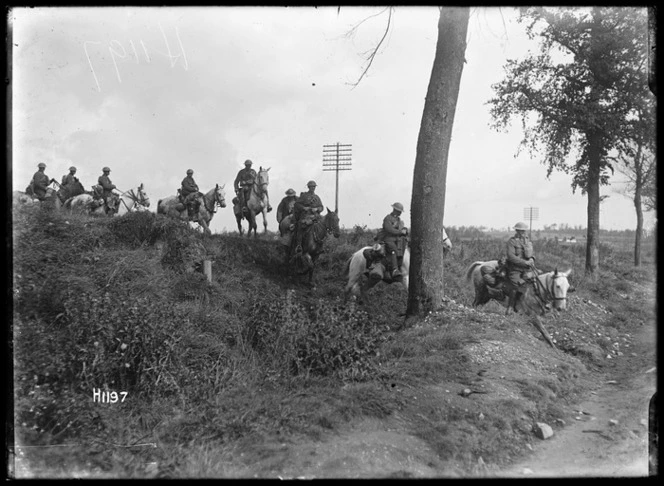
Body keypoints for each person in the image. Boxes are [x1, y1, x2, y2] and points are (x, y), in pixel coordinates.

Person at [375, 202, 409, 279]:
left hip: (398, 240)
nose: (400, 213)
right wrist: (400, 232)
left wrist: (405, 230)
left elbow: (401, 228)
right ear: (394, 210)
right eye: (399, 211)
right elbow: (389, 229)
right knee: (393, 250)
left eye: (400, 211)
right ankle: (394, 269)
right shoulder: (387, 218)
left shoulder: (399, 220)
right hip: (388, 239)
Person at [292, 180, 324, 253]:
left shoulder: (317, 197)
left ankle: (322, 245)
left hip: (316, 216)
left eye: (314, 187)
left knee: (323, 226)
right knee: (301, 226)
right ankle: (299, 245)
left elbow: (321, 207)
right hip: (306, 216)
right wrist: (304, 208)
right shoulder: (304, 196)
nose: (313, 188)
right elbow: (296, 205)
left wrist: (317, 209)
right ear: (308, 187)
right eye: (311, 187)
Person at [505, 222, 537, 286]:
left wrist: (532, 259)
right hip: (516, 270)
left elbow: (531, 254)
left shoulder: (527, 241)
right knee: (519, 286)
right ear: (517, 231)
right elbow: (511, 256)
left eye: (524, 230)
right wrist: (524, 262)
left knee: (538, 283)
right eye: (521, 231)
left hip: (528, 269)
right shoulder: (512, 241)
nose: (523, 232)